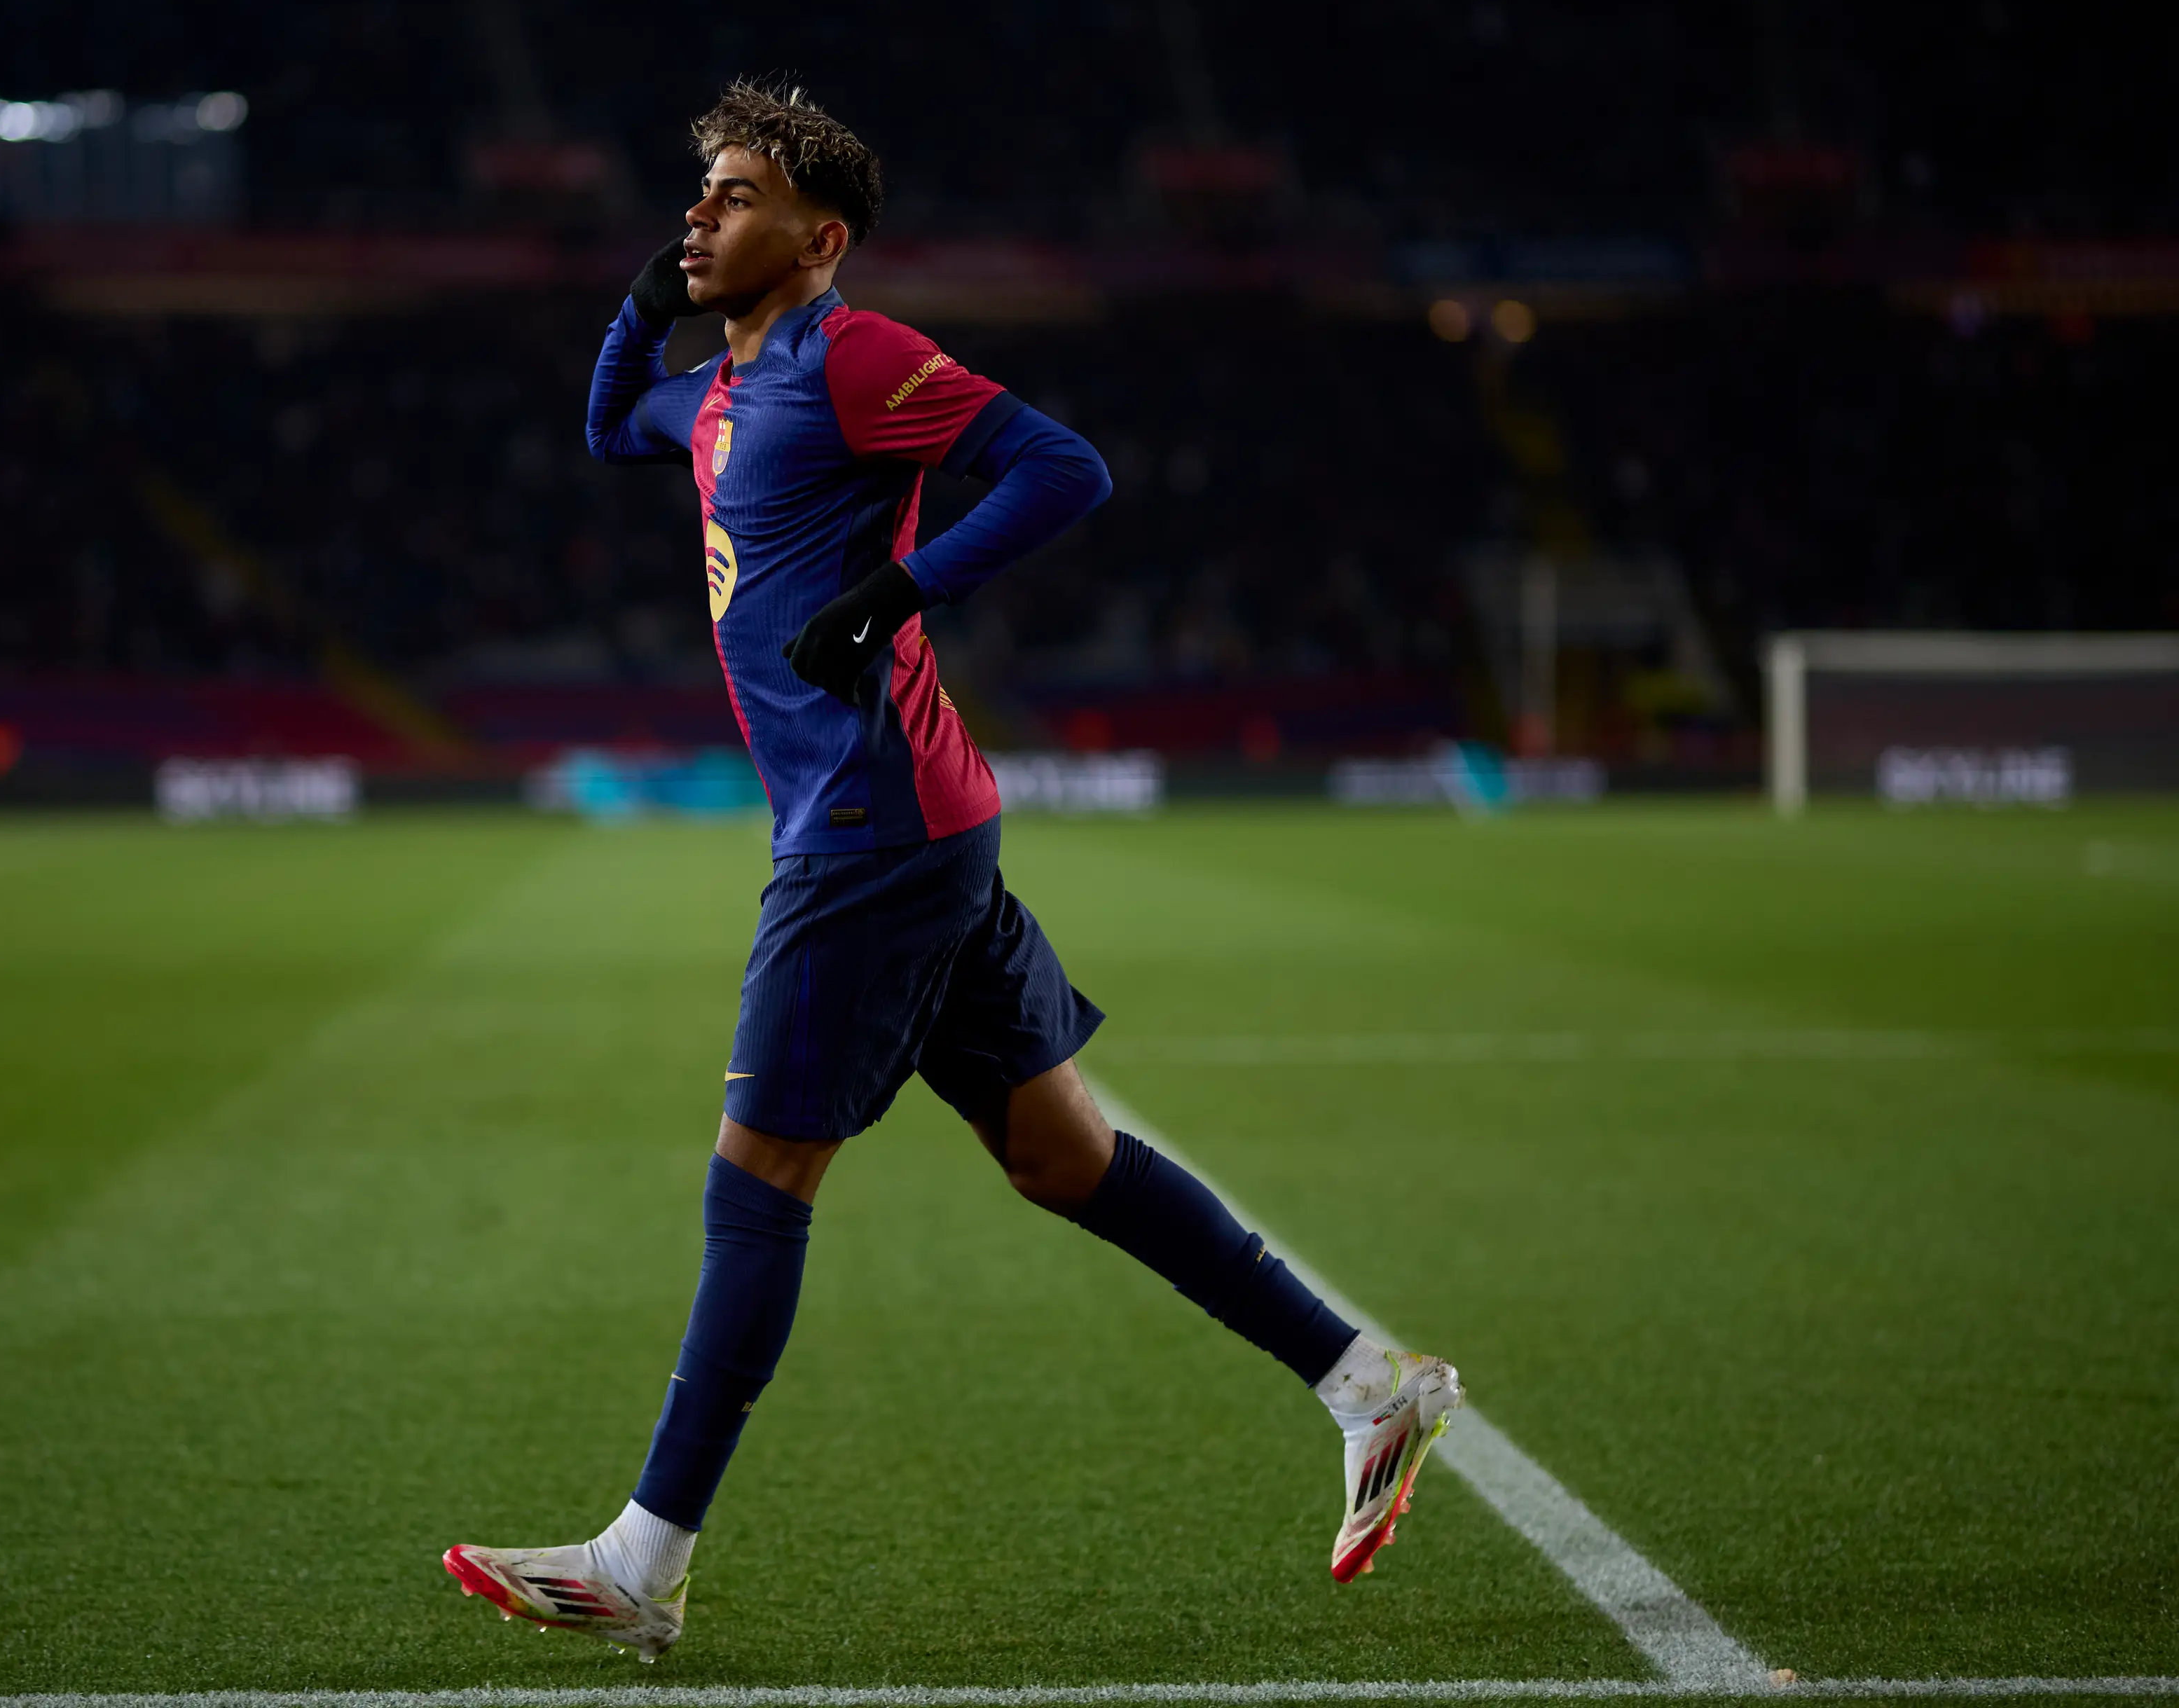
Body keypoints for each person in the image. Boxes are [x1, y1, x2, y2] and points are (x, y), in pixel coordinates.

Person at [444, 83, 1460, 1662]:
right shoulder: (716, 390)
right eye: (694, 192)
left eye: (735, 193)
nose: (701, 211)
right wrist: (645, 293)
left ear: (822, 235)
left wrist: (890, 594)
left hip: (868, 826)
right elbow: (600, 422)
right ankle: (1367, 1383)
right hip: (917, 816)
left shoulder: (850, 357)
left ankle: (644, 1558)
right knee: (1064, 1158)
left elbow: (1063, 467)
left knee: (758, 1175)